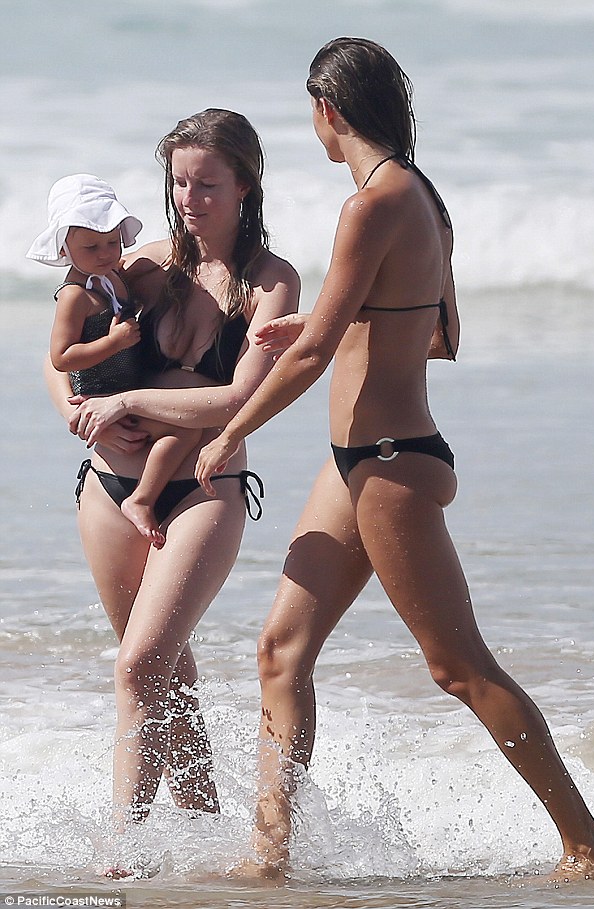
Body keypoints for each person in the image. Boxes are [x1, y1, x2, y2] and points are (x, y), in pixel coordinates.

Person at [192, 39, 594, 882]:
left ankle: (590, 844)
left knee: (457, 665)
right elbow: (441, 335)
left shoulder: (368, 206)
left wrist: (230, 426)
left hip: (386, 459)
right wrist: (336, 323)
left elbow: (318, 356)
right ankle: (269, 856)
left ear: (329, 110)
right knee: (281, 649)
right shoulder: (423, 197)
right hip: (365, 457)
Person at [45, 108, 300, 872]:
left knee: (138, 663)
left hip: (203, 487)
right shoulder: (144, 263)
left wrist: (131, 402)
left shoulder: (270, 281)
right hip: (107, 486)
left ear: (246, 184)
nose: (189, 199)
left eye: (208, 184)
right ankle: (201, 840)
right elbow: (58, 357)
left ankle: (121, 846)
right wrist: (81, 414)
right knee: (166, 671)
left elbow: (235, 401)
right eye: (179, 182)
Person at [30, 173, 201, 549]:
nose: (106, 254)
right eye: (91, 247)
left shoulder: (112, 277)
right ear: (64, 250)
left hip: (128, 388)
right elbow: (61, 357)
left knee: (185, 423)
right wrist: (113, 341)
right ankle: (141, 499)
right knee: (186, 430)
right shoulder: (75, 296)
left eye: (112, 242)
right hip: (101, 391)